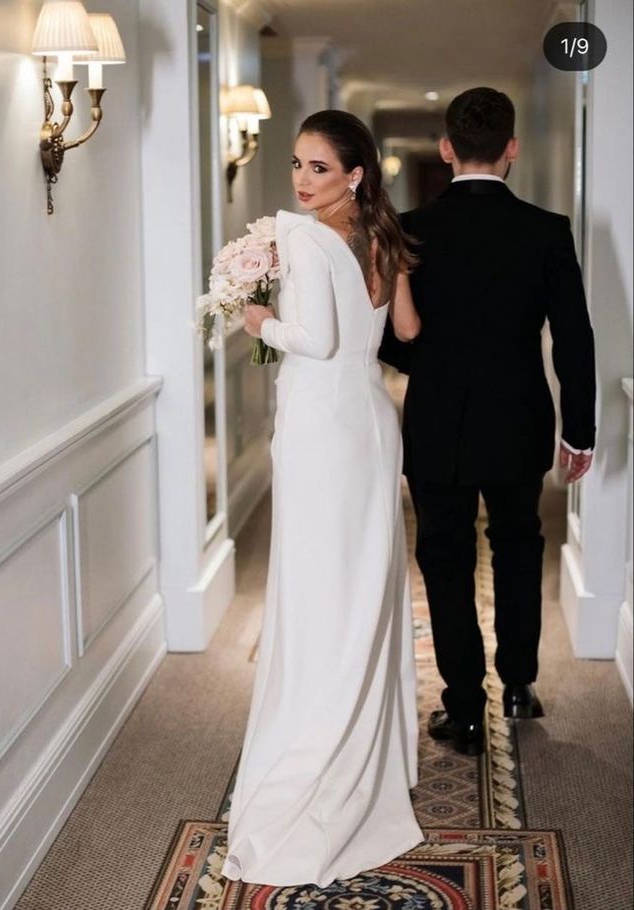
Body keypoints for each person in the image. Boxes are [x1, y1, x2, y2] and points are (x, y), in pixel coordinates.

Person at [222, 110, 424, 887]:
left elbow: (317, 340)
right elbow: (404, 326)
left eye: (318, 168)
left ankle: (318, 736)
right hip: (371, 422)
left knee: (315, 583)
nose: (302, 181)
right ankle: (362, 739)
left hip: (320, 430)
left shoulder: (302, 239)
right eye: (298, 165)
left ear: (354, 174)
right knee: (361, 578)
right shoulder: (383, 236)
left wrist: (259, 317)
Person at [379, 87, 596, 757]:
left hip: (437, 421)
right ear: (510, 149)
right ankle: (519, 686)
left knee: (443, 557)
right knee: (516, 545)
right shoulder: (545, 229)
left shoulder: (407, 228)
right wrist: (577, 428)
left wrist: (438, 363)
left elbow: (389, 340)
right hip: (518, 418)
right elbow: (573, 336)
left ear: (446, 149)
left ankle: (464, 707)